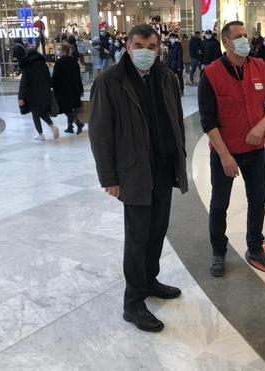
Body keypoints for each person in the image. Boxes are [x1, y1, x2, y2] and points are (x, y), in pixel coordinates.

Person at [89, 24, 188, 333]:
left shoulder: (166, 77)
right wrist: (109, 176)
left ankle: (149, 280)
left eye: (152, 45)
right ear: (128, 47)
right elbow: (100, 132)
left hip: (163, 166)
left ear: (159, 47)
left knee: (158, 229)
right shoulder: (110, 81)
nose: (146, 50)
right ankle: (133, 303)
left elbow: (176, 121)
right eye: (139, 45)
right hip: (134, 171)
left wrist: (179, 160)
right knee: (137, 236)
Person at [198, 21, 265, 277]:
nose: (245, 40)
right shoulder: (211, 74)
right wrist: (224, 155)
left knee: (258, 201)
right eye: (239, 36)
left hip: (256, 152)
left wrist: (260, 128)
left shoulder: (260, 67)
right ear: (226, 42)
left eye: (246, 35)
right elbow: (208, 121)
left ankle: (255, 247)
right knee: (219, 204)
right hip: (225, 153)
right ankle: (218, 252)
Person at [18, 48, 60, 141]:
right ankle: (52, 126)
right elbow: (49, 80)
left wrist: (21, 97)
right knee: (42, 112)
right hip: (45, 93)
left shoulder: (27, 68)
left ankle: (40, 134)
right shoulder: (43, 65)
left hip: (32, 94)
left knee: (35, 113)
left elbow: (23, 84)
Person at [53, 43, 85, 135]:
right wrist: (80, 89)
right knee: (70, 107)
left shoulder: (59, 63)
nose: (57, 51)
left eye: (59, 49)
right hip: (73, 89)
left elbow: (56, 77)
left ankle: (79, 123)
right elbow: (78, 77)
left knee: (65, 108)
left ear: (64, 51)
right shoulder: (74, 61)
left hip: (62, 90)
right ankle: (70, 127)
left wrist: (51, 85)